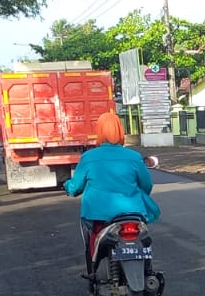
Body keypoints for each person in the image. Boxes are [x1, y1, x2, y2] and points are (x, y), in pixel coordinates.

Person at [64, 112, 160, 272]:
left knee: (93, 236)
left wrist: (67, 186)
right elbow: (146, 185)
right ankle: (147, 269)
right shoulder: (133, 156)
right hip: (133, 213)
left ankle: (94, 271)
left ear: (99, 132)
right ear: (120, 131)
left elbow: (75, 188)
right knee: (144, 239)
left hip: (98, 215)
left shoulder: (88, 157)